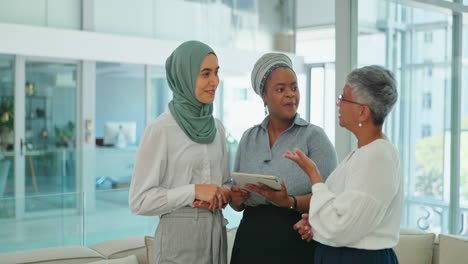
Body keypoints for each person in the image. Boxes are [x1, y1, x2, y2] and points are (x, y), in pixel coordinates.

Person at [285, 65, 403, 264]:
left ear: (363, 112)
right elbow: (342, 212)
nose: (338, 104)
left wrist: (313, 174)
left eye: (343, 99)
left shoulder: (377, 156)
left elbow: (342, 227)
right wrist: (317, 223)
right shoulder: (363, 152)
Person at [128, 40, 231, 264]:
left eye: (216, 72)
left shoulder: (218, 129)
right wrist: (194, 191)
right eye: (205, 73)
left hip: (215, 239)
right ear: (184, 76)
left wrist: (226, 193)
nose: (215, 81)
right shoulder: (160, 130)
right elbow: (139, 201)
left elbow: (225, 182)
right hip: (178, 243)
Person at [229, 53, 337, 264]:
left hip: (296, 240)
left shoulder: (314, 137)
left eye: (294, 87)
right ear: (264, 96)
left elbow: (331, 198)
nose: (291, 95)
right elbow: (237, 203)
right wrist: (236, 199)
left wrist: (290, 202)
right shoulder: (249, 137)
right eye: (281, 89)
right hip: (250, 242)